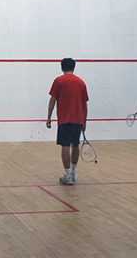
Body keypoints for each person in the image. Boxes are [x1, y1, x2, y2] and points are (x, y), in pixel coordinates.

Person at [46, 58, 89, 186]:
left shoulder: (59, 81)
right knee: (75, 145)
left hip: (64, 119)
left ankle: (68, 176)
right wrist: (84, 121)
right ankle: (73, 173)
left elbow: (53, 100)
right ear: (74, 67)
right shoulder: (81, 82)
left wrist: (49, 117)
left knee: (65, 146)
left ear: (62, 67)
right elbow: (85, 104)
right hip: (78, 119)